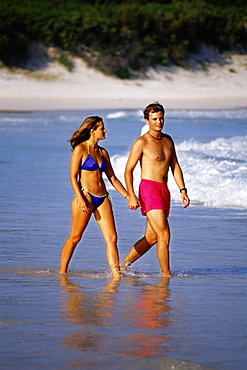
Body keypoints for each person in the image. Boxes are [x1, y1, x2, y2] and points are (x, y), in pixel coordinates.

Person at [121, 102, 190, 277]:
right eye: (154, 119)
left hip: (164, 191)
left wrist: (182, 190)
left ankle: (121, 265)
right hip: (148, 189)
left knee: (152, 238)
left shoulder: (168, 140)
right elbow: (128, 170)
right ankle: (166, 276)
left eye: (161, 118)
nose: (159, 122)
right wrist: (131, 196)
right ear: (147, 121)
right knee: (164, 234)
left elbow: (175, 166)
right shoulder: (141, 142)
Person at [59, 116, 129, 278]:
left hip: (103, 197)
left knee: (112, 238)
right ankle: (62, 273)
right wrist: (80, 198)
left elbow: (112, 178)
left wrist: (128, 196)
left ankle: (116, 276)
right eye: (101, 128)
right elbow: (73, 176)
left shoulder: (103, 152)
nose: (105, 131)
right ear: (92, 131)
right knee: (75, 237)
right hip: (85, 197)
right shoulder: (81, 149)